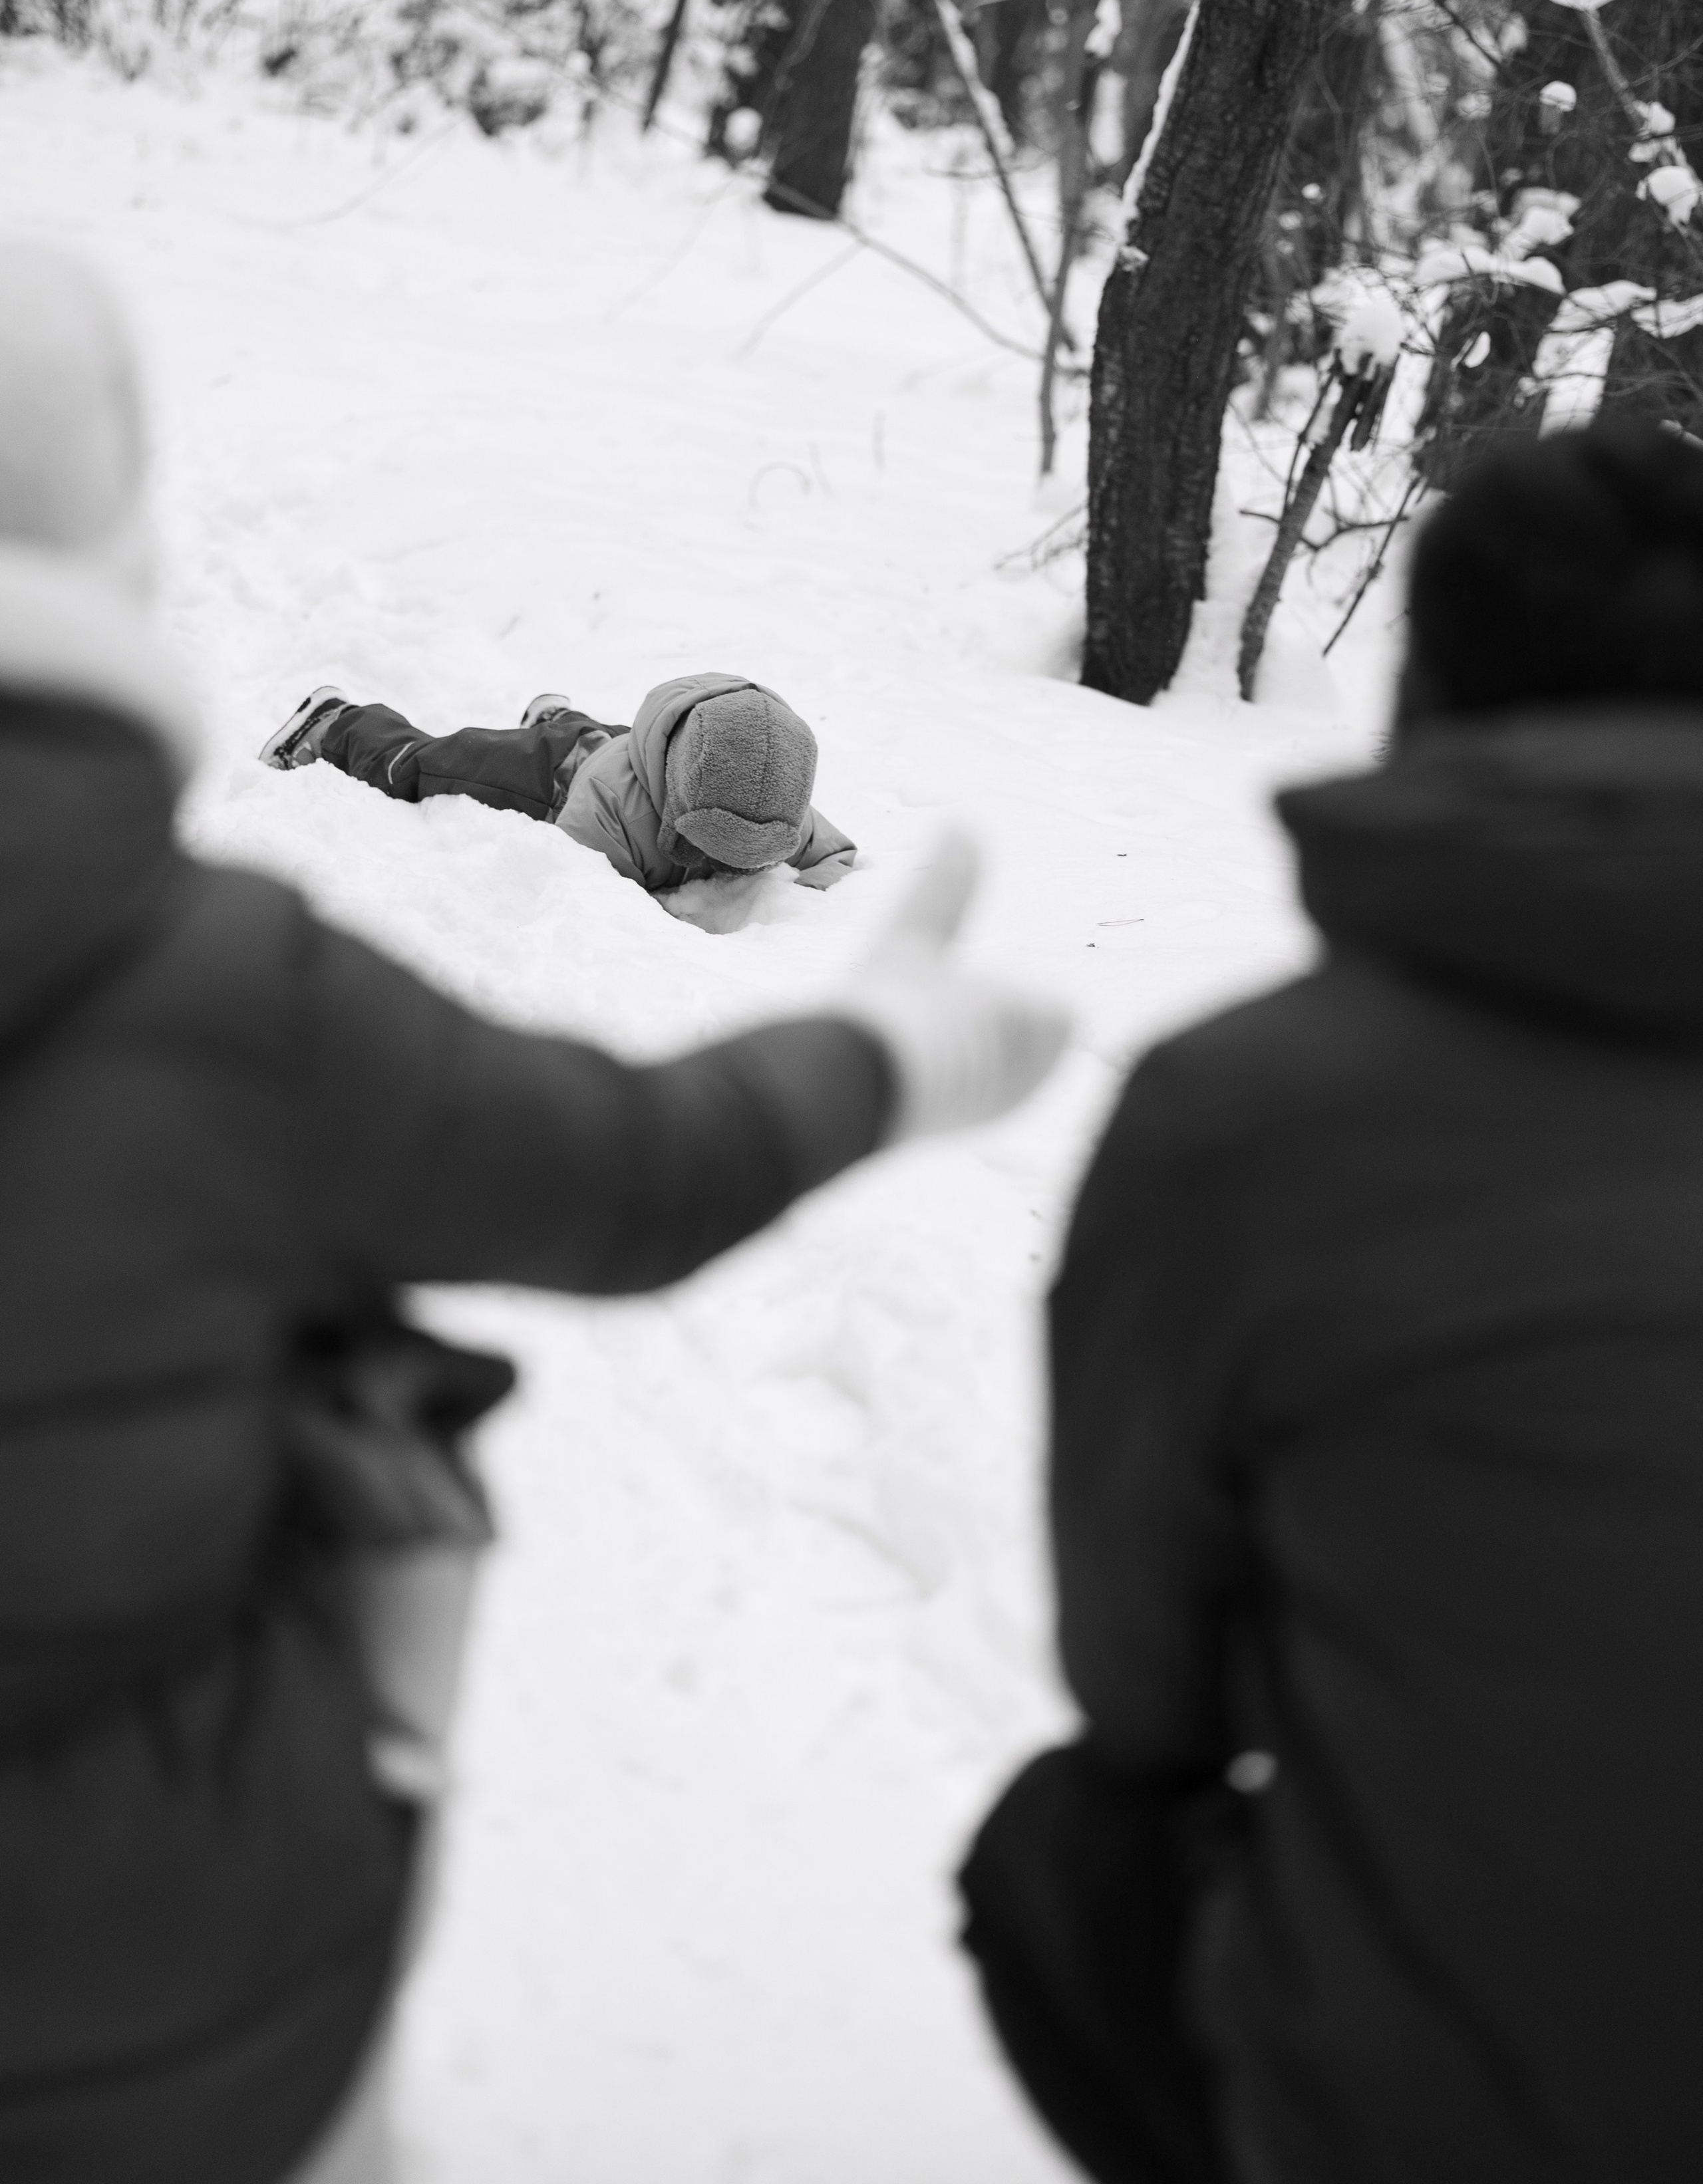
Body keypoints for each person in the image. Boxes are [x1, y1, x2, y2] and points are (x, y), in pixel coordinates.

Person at [0, 241, 1066, 2184]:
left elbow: (764, 831)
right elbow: (630, 1164)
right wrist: (887, 1058)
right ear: (115, 568)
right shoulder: (237, 984)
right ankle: (342, 714)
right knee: (450, 751)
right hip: (205, 2005)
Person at [961, 419, 1703, 2184]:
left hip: (1432, 2125)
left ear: (1429, 693)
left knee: (1070, 1848)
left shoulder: (1249, 1117)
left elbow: (1146, 1690)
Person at [259, 675, 856, 895]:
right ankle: (338, 721)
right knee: (421, 767)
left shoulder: (771, 799)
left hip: (623, 744)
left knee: (602, 737)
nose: (735, 867)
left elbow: (837, 857)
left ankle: (557, 718)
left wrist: (804, 895)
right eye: (716, 845)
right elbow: (588, 896)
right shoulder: (608, 809)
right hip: (554, 778)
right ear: (681, 801)